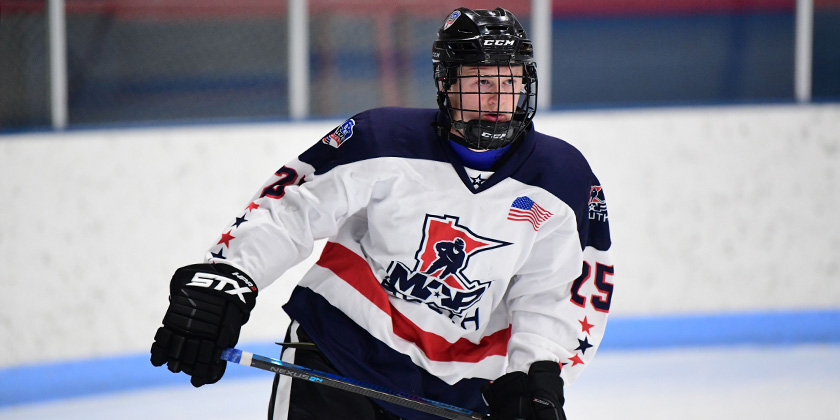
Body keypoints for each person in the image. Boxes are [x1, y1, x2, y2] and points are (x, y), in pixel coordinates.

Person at [150, 7, 614, 420]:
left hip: (464, 389)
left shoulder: (563, 179)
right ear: (447, 85)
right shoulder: (382, 138)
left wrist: (535, 373)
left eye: (510, 82)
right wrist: (228, 278)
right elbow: (292, 209)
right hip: (340, 346)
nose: (498, 99)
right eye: (481, 83)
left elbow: (556, 292)